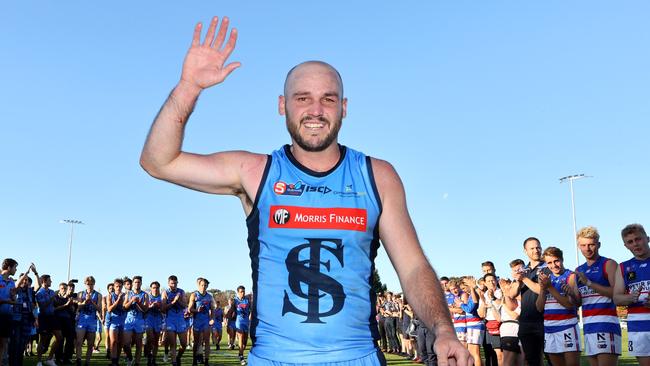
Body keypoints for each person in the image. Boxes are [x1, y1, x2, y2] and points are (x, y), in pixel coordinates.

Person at [139, 15, 471, 366]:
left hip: (357, 357)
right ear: (283, 105)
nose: (315, 110)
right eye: (302, 98)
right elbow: (158, 161)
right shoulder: (255, 172)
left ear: (344, 108)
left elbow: (413, 267)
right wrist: (189, 86)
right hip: (273, 358)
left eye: (328, 99)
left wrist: (443, 329)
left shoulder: (378, 176)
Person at [574, 226, 621, 366]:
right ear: (579, 246)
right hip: (588, 327)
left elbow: (617, 294)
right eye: (583, 245)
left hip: (606, 325)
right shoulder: (579, 270)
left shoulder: (609, 264)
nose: (587, 249)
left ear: (599, 245)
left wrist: (589, 283)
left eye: (591, 244)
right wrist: (571, 294)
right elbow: (578, 302)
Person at [535, 247, 581, 366]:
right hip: (549, 328)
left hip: (567, 326)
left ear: (562, 259)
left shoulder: (570, 276)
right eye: (549, 262)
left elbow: (569, 305)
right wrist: (543, 289)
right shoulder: (546, 279)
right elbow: (539, 307)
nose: (553, 265)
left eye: (556, 261)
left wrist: (550, 287)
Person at [613, 223, 650, 366]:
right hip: (638, 327)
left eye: (638, 239)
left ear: (647, 238)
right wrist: (630, 297)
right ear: (626, 246)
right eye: (630, 242)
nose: (635, 244)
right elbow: (616, 298)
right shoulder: (623, 267)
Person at [508, 237, 545, 366]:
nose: (536, 250)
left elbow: (541, 290)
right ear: (525, 251)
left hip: (544, 319)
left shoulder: (547, 266)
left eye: (538, 247)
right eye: (532, 248)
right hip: (526, 321)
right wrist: (518, 280)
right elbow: (511, 294)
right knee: (530, 360)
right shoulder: (524, 270)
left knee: (552, 358)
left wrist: (523, 279)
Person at [2, 259, 33, 366]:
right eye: (15, 267)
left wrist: (12, 299)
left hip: (8, 316)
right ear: (9, 267)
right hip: (6, 316)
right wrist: (10, 301)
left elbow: (13, 291)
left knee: (4, 343)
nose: (15, 270)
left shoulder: (11, 282)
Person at [36, 274, 63, 366]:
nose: (51, 282)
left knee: (59, 337)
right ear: (44, 281)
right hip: (43, 317)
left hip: (52, 316)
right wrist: (52, 297)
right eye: (49, 280)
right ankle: (39, 361)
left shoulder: (52, 291)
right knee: (42, 339)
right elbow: (42, 306)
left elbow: (55, 303)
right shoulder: (39, 293)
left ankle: (49, 358)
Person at [75, 276, 102, 366]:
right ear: (85, 284)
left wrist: (92, 301)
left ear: (94, 284)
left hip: (92, 321)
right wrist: (85, 301)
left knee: (90, 344)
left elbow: (99, 309)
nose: (89, 286)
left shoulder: (98, 295)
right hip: (82, 320)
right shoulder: (80, 294)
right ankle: (78, 360)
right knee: (79, 342)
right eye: (88, 284)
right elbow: (78, 307)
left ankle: (87, 362)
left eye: (91, 284)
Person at [162, 275, 187, 366]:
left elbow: (184, 305)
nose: (174, 285)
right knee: (172, 343)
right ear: (168, 283)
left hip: (180, 319)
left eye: (175, 283)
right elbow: (163, 308)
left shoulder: (181, 292)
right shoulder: (165, 293)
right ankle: (174, 362)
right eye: (172, 283)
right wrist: (173, 302)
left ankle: (178, 357)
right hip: (170, 320)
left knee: (184, 344)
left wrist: (178, 300)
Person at [188, 278, 214, 366]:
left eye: (205, 285)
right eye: (202, 285)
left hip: (206, 321)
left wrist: (212, 318)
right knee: (196, 342)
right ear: (199, 285)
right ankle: (194, 360)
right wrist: (197, 310)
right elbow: (190, 309)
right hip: (196, 321)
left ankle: (206, 361)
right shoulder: (194, 295)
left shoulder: (209, 297)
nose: (204, 287)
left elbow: (212, 309)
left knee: (207, 341)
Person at [124, 276, 148, 366]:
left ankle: (137, 363)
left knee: (138, 343)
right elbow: (124, 307)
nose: (137, 284)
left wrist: (138, 302)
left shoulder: (145, 295)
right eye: (135, 282)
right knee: (126, 343)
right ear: (132, 283)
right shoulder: (128, 294)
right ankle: (130, 357)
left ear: (141, 283)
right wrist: (131, 301)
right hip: (129, 319)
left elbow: (146, 309)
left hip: (139, 320)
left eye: (139, 282)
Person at [107, 278, 127, 366]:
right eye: (116, 286)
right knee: (113, 341)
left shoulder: (126, 295)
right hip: (114, 321)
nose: (118, 288)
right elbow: (109, 309)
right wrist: (118, 300)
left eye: (120, 286)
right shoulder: (110, 296)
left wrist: (124, 301)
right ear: (114, 287)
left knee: (121, 343)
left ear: (122, 286)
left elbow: (125, 307)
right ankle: (113, 361)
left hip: (123, 321)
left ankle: (117, 360)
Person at [145, 281, 164, 366]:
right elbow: (144, 309)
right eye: (153, 287)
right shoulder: (147, 296)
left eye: (157, 288)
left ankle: (153, 359)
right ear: (151, 288)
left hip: (158, 319)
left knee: (156, 340)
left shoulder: (162, 297)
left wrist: (160, 307)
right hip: (149, 319)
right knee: (150, 338)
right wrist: (151, 306)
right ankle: (149, 357)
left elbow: (164, 309)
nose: (155, 289)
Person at [233, 286, 251, 365]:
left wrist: (251, 316)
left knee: (245, 342)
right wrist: (228, 318)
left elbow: (252, 309)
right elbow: (231, 311)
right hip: (239, 321)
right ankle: (241, 357)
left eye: (243, 291)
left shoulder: (247, 300)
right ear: (238, 292)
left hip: (246, 322)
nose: (242, 293)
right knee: (240, 336)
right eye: (241, 292)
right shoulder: (235, 301)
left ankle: (240, 353)